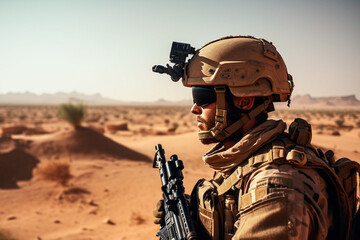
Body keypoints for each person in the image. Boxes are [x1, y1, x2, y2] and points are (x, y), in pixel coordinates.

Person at [153, 36, 356, 240]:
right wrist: (192, 214)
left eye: (202, 97)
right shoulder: (245, 159)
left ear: (244, 102)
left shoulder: (276, 189)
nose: (194, 108)